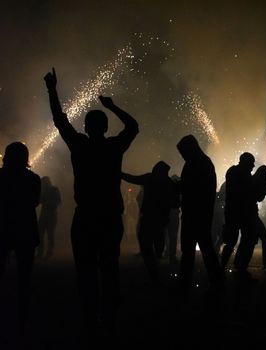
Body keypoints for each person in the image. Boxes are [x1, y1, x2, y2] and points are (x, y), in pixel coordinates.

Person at [44, 68, 139, 337]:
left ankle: (89, 317)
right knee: (109, 267)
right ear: (106, 127)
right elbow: (133, 127)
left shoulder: (80, 146)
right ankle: (109, 317)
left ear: (86, 127)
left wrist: (52, 89)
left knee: (85, 270)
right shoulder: (113, 147)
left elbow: (59, 119)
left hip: (85, 217)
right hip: (110, 216)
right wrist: (113, 106)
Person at [176, 135, 224, 293]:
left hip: (195, 214)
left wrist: (177, 185)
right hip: (201, 213)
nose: (182, 155)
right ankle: (216, 279)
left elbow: (191, 188)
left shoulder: (195, 164)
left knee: (191, 251)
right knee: (206, 248)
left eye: (183, 152)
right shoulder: (204, 162)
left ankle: (185, 282)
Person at [0, 142, 41, 329]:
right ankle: (23, 314)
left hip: (3, 227)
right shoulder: (33, 178)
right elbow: (34, 202)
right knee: (25, 274)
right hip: (25, 228)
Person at [122, 161, 178, 283]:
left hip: (149, 218)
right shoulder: (169, 183)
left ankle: (154, 271)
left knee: (146, 244)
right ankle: (156, 269)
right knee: (157, 243)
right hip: (160, 220)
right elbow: (175, 203)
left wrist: (120, 174)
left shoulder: (150, 178)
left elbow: (133, 178)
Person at [221, 153, 258, 280]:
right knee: (241, 240)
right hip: (240, 212)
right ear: (246, 162)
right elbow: (246, 192)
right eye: (251, 162)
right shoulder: (241, 174)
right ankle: (237, 268)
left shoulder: (233, 171)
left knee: (233, 241)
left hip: (234, 211)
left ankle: (223, 268)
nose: (253, 165)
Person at [36, 176, 61, 259]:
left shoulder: (54, 189)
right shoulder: (44, 190)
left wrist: (48, 202)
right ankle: (41, 252)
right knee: (40, 234)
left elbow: (58, 201)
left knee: (50, 234)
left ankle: (48, 252)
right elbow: (39, 201)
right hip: (45, 214)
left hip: (51, 214)